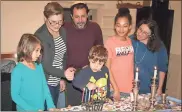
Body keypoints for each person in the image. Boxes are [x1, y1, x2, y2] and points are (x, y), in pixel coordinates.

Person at [34, 2, 75, 108]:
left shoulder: (63, 31)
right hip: (45, 83)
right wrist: (64, 74)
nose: (57, 25)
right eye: (53, 22)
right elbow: (45, 65)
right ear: (45, 18)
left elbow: (63, 56)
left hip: (57, 80)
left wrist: (61, 78)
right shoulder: (40, 36)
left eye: (60, 21)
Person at [63, 3, 103, 106]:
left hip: (91, 73)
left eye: (83, 16)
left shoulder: (95, 28)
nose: (80, 20)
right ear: (71, 16)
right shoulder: (64, 28)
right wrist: (61, 76)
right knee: (74, 106)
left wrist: (92, 66)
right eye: (77, 17)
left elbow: (100, 51)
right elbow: (59, 53)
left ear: (87, 15)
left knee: (91, 105)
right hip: (71, 76)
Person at [11, 34, 55, 111]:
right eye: (36, 50)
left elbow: (44, 87)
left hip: (40, 109)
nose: (39, 54)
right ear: (26, 49)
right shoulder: (18, 70)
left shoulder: (38, 66)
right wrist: (33, 110)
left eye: (40, 50)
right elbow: (15, 96)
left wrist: (51, 105)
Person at [130, 19, 168, 95]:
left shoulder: (159, 46)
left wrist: (160, 88)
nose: (140, 33)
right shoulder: (130, 40)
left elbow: (162, 69)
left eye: (145, 33)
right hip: (131, 87)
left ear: (151, 35)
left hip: (149, 89)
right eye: (140, 29)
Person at [104, 8, 134, 101]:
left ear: (129, 27)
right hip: (115, 89)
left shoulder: (130, 41)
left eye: (125, 26)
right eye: (118, 25)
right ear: (114, 26)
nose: (121, 29)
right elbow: (107, 68)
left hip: (129, 89)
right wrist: (116, 89)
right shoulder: (109, 42)